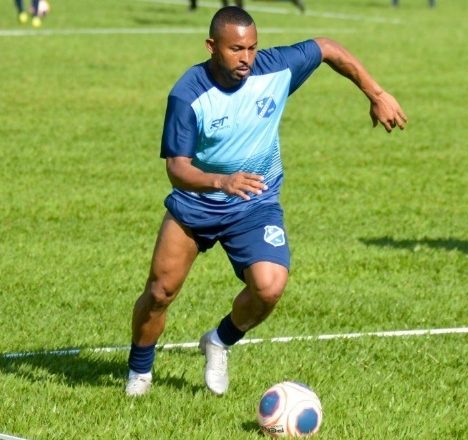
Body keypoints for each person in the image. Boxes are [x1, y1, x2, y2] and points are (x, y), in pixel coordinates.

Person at [125, 6, 407, 396]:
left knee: (270, 287)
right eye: (236, 49)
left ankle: (220, 341)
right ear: (212, 46)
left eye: (253, 48)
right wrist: (221, 181)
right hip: (197, 204)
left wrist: (375, 93)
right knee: (159, 293)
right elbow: (177, 169)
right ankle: (140, 371)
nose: (246, 59)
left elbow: (327, 48)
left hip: (255, 202)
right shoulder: (188, 94)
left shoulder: (273, 70)